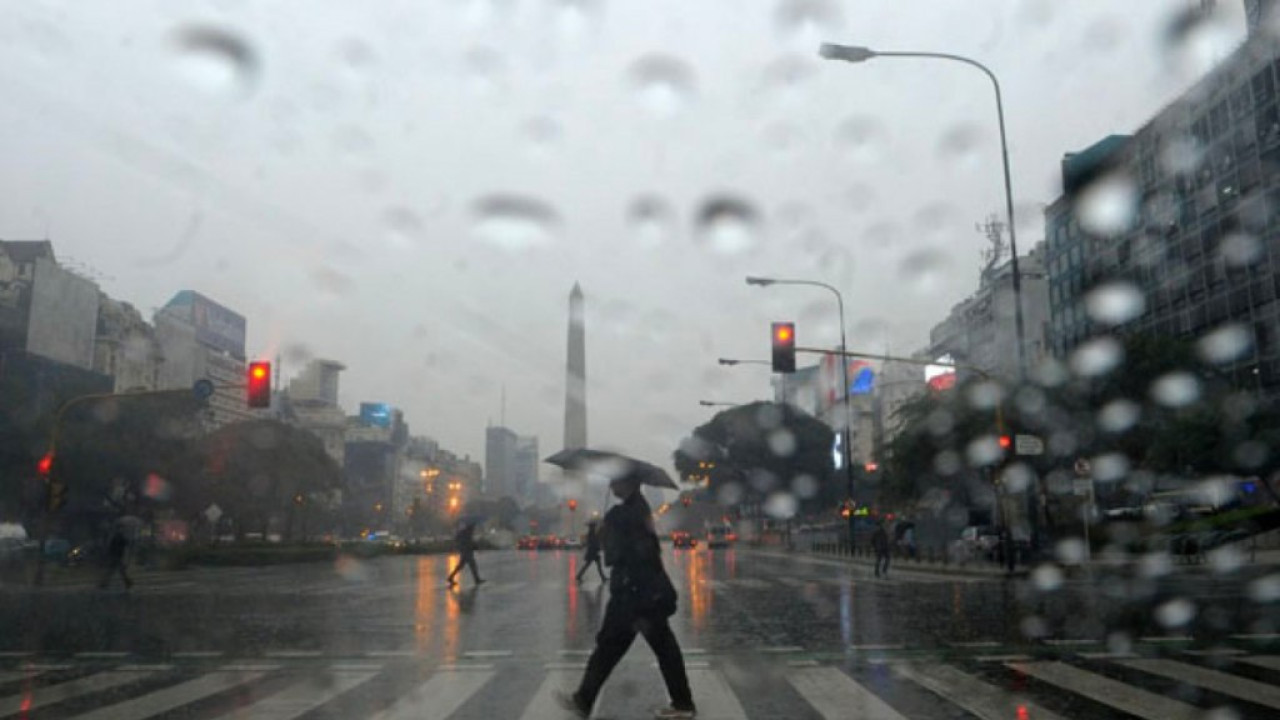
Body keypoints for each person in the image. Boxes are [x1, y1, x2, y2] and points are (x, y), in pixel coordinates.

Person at [557, 473, 696, 719]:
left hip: (634, 595)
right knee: (632, 647)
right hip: (643, 592)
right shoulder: (638, 509)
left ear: (630, 483)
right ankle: (584, 699)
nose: (611, 485)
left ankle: (682, 704)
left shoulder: (623, 514)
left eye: (616, 481)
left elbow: (614, 556)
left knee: (617, 647)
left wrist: (603, 531)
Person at [446, 520, 484, 587]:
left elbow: (457, 539)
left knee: (461, 566)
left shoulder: (463, 532)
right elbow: (470, 543)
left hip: (464, 551)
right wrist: (477, 548)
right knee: (472, 565)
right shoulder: (467, 533)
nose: (474, 529)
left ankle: (450, 577)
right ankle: (477, 579)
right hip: (467, 552)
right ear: (471, 527)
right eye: (473, 527)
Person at [98, 526, 133, 590]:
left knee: (113, 570)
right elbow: (125, 544)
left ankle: (104, 583)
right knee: (118, 571)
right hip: (117, 556)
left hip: (116, 556)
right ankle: (127, 582)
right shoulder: (119, 537)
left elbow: (112, 547)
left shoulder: (117, 537)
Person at [576, 520, 608, 584]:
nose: (594, 527)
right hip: (592, 552)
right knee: (590, 565)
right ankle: (579, 576)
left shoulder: (592, 533)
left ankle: (603, 577)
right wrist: (598, 547)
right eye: (594, 526)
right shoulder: (591, 533)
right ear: (592, 527)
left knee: (592, 565)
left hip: (593, 552)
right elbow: (593, 542)